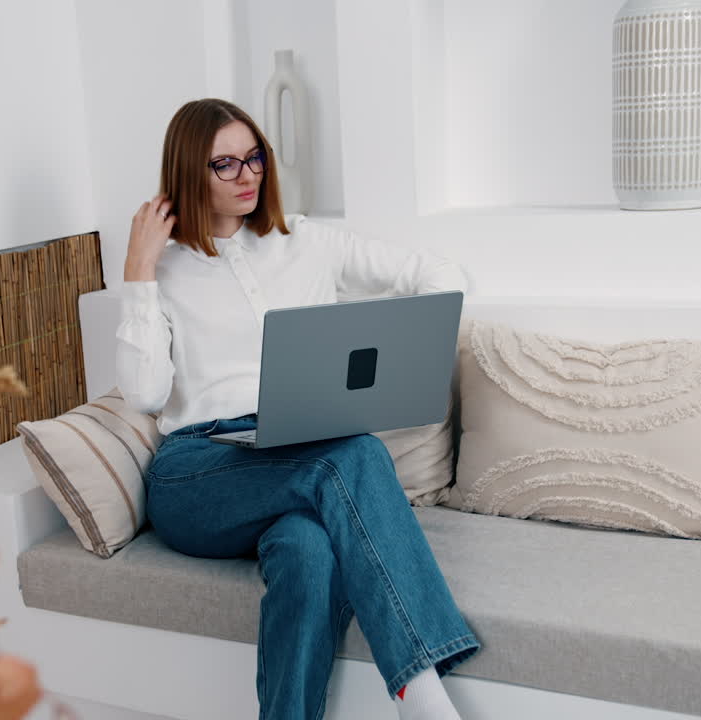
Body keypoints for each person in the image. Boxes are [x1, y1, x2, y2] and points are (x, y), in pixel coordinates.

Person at [115, 98, 480, 720]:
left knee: (309, 551)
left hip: (293, 454)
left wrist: (398, 336)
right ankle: (422, 697)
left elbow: (441, 274)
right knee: (356, 453)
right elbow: (145, 394)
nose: (247, 174)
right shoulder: (165, 269)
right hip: (198, 473)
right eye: (224, 164)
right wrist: (139, 269)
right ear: (187, 174)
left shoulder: (308, 242)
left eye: (254, 156)